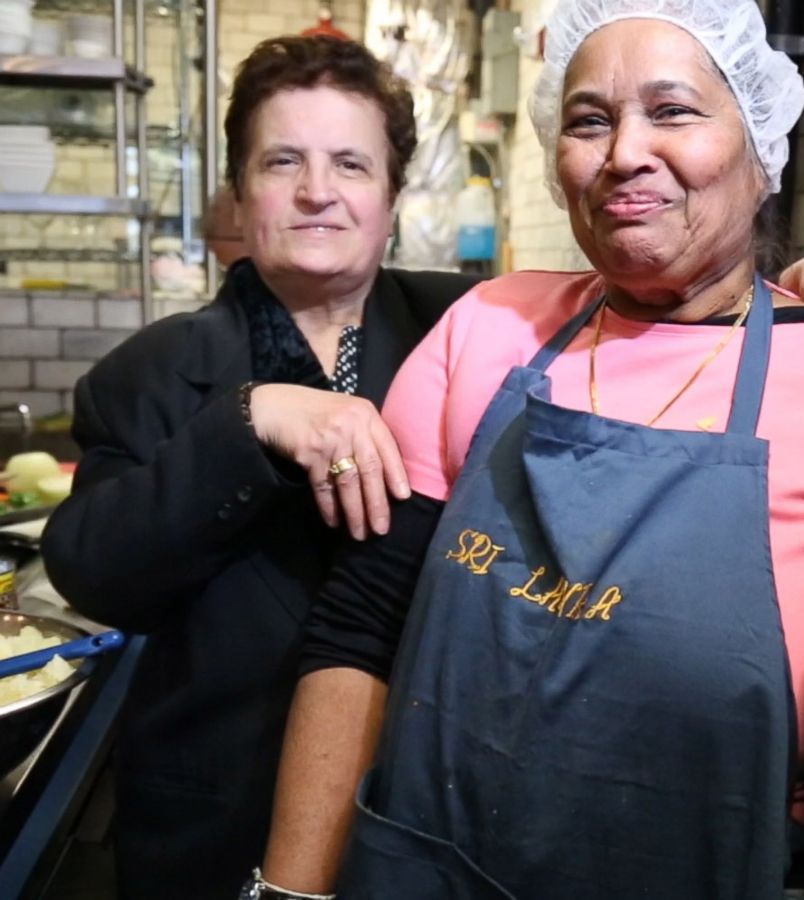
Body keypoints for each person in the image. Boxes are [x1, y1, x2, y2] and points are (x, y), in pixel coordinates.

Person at [253, 0, 804, 896]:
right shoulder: (485, 329)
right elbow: (362, 630)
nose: (623, 153)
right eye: (589, 120)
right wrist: (290, 890)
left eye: (673, 111)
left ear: (759, 148)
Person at [37, 35, 483, 899]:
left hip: (433, 819)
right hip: (219, 825)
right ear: (241, 192)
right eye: (284, 161)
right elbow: (93, 569)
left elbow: (641, 312)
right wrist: (248, 422)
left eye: (351, 164)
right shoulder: (150, 372)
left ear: (391, 194)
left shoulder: (468, 324)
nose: (319, 191)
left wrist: (793, 292)